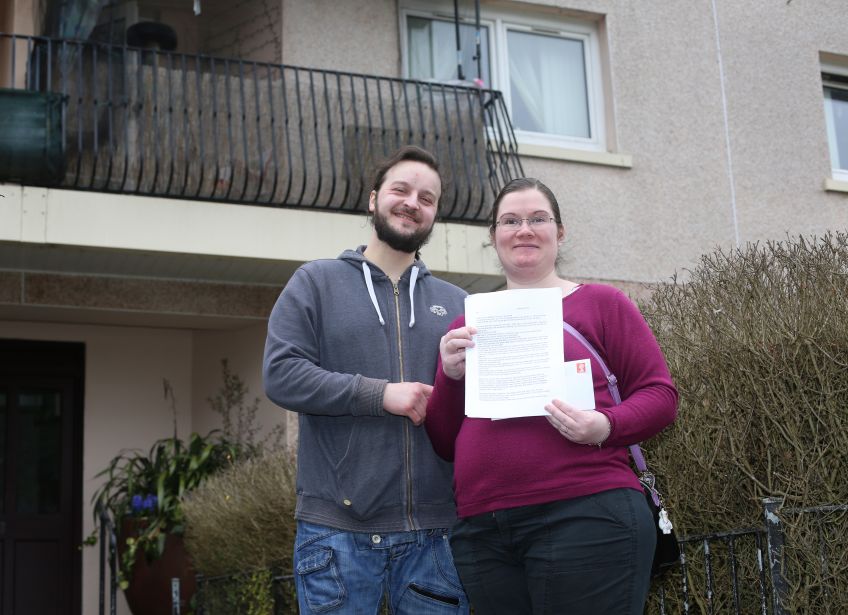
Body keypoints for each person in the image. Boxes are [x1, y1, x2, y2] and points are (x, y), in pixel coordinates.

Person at [425, 177, 678, 615]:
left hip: (586, 514)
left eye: (538, 218)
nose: (524, 229)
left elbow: (660, 396)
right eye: (511, 220)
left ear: (559, 233)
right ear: (494, 237)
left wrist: (606, 425)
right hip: (484, 530)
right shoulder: (468, 322)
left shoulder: (601, 303)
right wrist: (449, 375)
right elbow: (444, 440)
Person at [263, 145, 470, 614]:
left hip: (435, 537)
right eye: (401, 189)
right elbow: (281, 375)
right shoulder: (314, 283)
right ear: (373, 199)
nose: (412, 202)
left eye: (427, 197)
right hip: (336, 535)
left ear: (434, 214)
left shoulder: (457, 304)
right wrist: (381, 394)